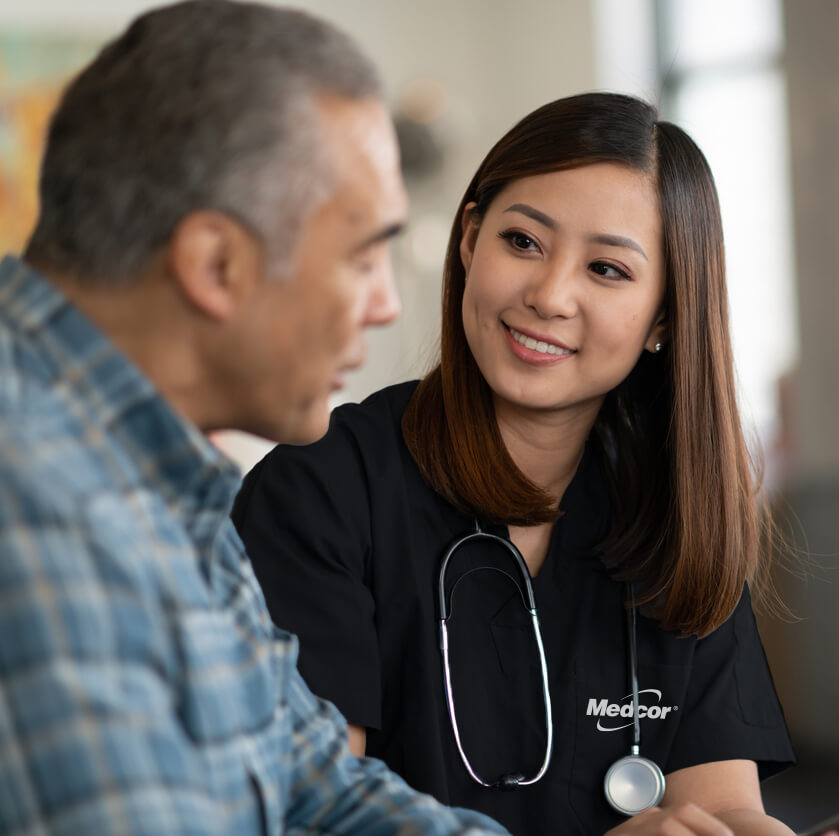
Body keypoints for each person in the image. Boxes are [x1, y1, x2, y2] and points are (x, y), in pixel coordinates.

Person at [231, 92, 839, 836]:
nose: (549, 295)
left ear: (664, 316)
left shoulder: (673, 510)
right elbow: (312, 812)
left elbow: (721, 806)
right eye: (523, 242)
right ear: (470, 240)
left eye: (606, 269)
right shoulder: (319, 489)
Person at [0, 2, 508, 834]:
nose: (386, 304)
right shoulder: (37, 508)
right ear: (216, 264)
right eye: (363, 255)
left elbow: (321, 789)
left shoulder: (167, 484)